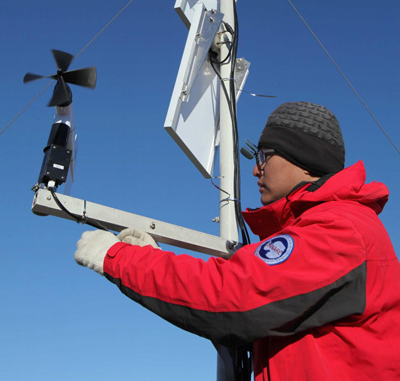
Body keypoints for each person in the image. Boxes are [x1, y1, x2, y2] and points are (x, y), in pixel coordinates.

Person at [75, 101, 400, 380]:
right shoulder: (331, 227)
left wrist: (121, 258)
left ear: (302, 158)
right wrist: (151, 257)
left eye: (264, 155)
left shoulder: (339, 228)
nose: (256, 170)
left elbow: (234, 295)